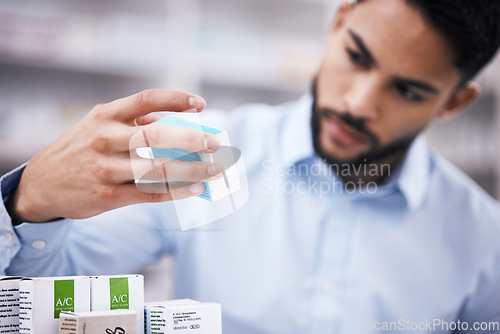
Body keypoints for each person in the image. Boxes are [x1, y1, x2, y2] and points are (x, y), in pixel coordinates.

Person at [1, 0, 500, 332]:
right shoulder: (201, 152)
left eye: (408, 90)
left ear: (454, 103)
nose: (357, 103)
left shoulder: (484, 241)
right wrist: (31, 204)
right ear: (339, 20)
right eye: (357, 56)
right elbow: (38, 306)